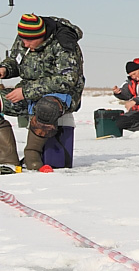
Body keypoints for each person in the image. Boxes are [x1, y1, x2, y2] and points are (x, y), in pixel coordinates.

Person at [0, 13, 85, 172]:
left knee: (46, 107)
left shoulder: (64, 43)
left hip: (61, 95)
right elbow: (16, 61)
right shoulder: (24, 39)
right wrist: (5, 69)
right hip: (27, 92)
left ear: (43, 36)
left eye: (30, 41)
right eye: (22, 39)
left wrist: (26, 92)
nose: (25, 44)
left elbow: (67, 80)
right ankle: (8, 160)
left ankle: (32, 155)